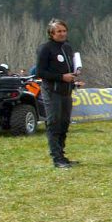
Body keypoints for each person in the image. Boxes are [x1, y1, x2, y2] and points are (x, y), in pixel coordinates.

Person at [35, 18, 82, 169]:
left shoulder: (67, 48)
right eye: (59, 31)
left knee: (64, 123)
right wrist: (62, 77)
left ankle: (62, 154)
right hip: (52, 91)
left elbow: (68, 69)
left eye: (64, 31)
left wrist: (74, 78)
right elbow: (41, 72)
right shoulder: (45, 48)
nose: (62, 34)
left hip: (66, 91)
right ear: (51, 33)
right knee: (54, 123)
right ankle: (56, 158)